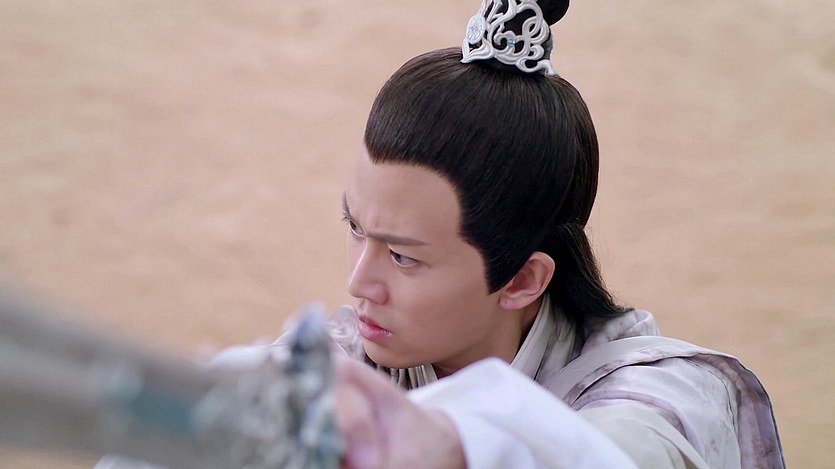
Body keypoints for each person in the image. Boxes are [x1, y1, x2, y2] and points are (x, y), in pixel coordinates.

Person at [99, 0, 784, 467]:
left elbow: (616, 450)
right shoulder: (346, 370)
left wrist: (449, 441)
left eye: (402, 256)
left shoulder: (663, 391)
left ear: (522, 279)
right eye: (355, 229)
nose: (359, 283)